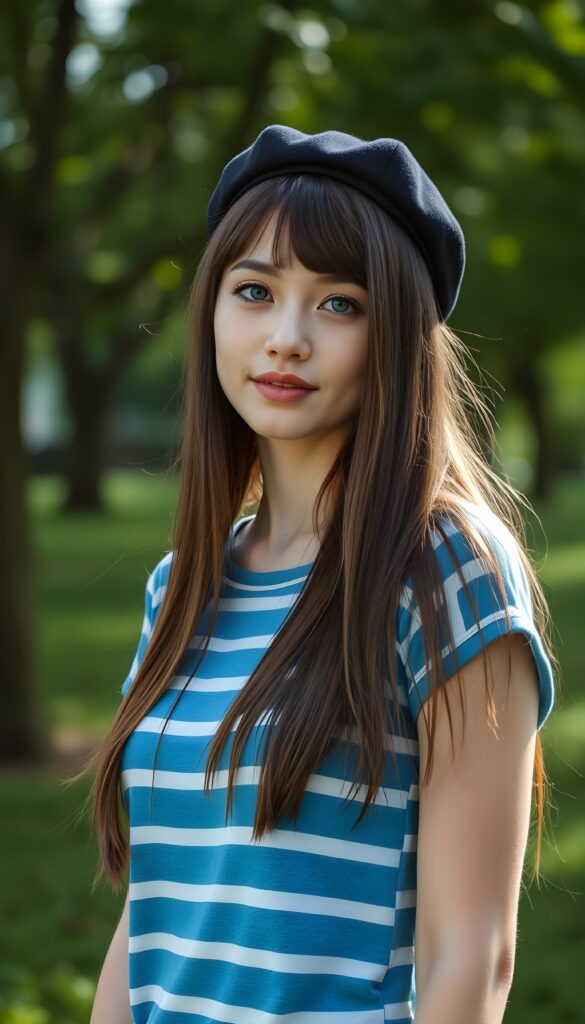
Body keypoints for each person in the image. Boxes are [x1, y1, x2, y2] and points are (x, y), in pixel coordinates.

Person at [85, 125, 557, 1024]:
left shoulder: (440, 568)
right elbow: (151, 921)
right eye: (254, 291)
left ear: (397, 339)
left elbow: (473, 957)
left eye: (339, 304)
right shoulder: (179, 586)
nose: (286, 338)